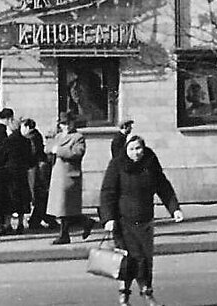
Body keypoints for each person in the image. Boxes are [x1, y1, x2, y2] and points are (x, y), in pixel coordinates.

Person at [100, 135, 185, 306]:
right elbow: (108, 193)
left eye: (138, 148)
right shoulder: (117, 165)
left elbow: (163, 186)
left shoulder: (150, 163)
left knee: (145, 259)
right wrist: (108, 218)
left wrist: (174, 208)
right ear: (126, 150)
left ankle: (147, 293)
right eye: (131, 149)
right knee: (128, 260)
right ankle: (124, 295)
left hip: (145, 220)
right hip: (123, 221)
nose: (136, 153)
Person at [48, 114, 93, 244]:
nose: (66, 126)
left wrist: (59, 150)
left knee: (65, 207)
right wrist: (54, 148)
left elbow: (77, 153)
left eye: (68, 123)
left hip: (69, 176)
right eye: (63, 124)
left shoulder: (78, 137)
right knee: (62, 208)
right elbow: (48, 148)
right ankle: (86, 222)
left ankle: (65, 234)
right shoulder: (57, 136)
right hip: (58, 174)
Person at [0, 114, 33, 234]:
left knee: (8, 200)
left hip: (8, 174)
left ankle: (7, 224)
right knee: (21, 199)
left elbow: (0, 157)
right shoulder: (26, 142)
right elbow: (30, 158)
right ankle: (20, 224)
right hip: (21, 173)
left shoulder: (7, 141)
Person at [24, 118, 54, 231]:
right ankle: (45, 218)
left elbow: (33, 153)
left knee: (39, 195)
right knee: (41, 196)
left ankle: (37, 220)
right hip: (40, 167)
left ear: (27, 127)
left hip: (37, 169)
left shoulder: (30, 138)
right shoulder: (36, 136)